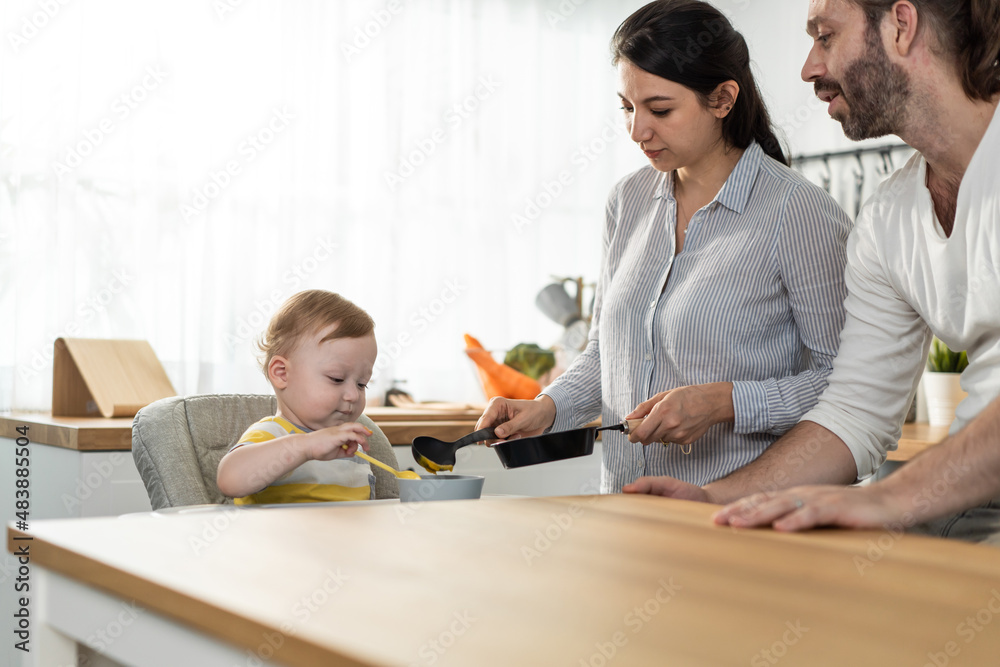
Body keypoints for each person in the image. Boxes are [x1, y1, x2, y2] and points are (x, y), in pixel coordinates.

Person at [625, 0, 1000, 545]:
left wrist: (887, 498)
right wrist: (715, 498)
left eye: (825, 36)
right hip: (971, 499)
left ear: (901, 26)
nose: (808, 68)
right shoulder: (888, 221)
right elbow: (853, 413)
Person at [475, 0, 853, 493]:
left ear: (722, 99)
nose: (637, 131)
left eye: (659, 109)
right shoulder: (627, 203)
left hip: (744, 521)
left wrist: (725, 402)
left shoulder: (798, 213)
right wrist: (547, 407)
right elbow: (604, 355)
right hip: (631, 513)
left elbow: (845, 387)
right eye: (627, 108)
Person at [216, 290, 378, 504]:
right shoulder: (273, 434)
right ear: (282, 373)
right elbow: (230, 479)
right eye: (336, 379)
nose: (353, 395)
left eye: (362, 384)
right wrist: (307, 446)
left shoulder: (351, 446)